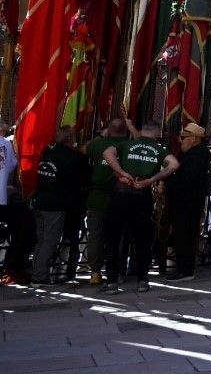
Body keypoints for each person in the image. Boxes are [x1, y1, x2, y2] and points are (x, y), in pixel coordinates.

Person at [102, 121, 178, 295]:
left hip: (120, 194)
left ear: (142, 131)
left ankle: (112, 281)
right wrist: (152, 179)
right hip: (141, 196)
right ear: (158, 133)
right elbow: (174, 165)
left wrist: (121, 172)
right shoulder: (159, 150)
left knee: (113, 239)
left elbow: (107, 153)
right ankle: (143, 280)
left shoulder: (127, 144)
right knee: (142, 241)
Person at [31, 124, 89, 284]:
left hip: (39, 201)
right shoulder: (73, 158)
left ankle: (36, 272)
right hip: (55, 206)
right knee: (49, 241)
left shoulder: (47, 151)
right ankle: (39, 276)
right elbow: (81, 180)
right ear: (70, 138)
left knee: (41, 240)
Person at [82, 118, 129, 287]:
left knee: (95, 236)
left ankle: (95, 272)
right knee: (119, 237)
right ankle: (117, 272)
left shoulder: (97, 145)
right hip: (121, 198)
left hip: (97, 197)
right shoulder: (129, 145)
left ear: (109, 130)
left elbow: (81, 150)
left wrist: (101, 137)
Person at [166, 124, 211, 281]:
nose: (181, 141)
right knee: (184, 235)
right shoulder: (196, 154)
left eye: (184, 138)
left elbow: (186, 179)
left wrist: (167, 184)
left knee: (185, 235)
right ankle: (185, 268)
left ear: (193, 139)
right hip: (187, 200)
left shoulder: (197, 156)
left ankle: (184, 271)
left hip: (187, 201)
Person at [0, 120, 32, 284]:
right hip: (2, 198)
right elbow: (12, 165)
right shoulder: (5, 144)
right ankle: (10, 267)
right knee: (18, 230)